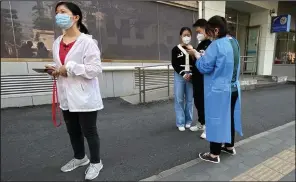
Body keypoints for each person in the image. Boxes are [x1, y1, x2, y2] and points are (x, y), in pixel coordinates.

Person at [45, 2, 103, 180]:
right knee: (73, 130)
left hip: (84, 96)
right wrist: (55, 69)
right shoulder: (57, 43)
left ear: (76, 17)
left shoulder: (87, 42)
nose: (58, 16)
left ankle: (96, 162)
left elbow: (95, 69)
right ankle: (80, 157)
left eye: (63, 12)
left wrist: (69, 67)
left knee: (89, 131)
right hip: (66, 95)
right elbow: (63, 66)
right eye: (57, 13)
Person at [187, 15, 243, 164]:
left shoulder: (216, 45)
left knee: (216, 120)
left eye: (209, 31)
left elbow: (204, 67)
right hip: (234, 88)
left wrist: (198, 56)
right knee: (229, 118)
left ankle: (214, 154)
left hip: (219, 90)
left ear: (216, 30)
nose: (207, 34)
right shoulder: (234, 42)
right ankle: (229, 146)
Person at [189, 19, 212, 140]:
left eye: (199, 31)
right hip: (197, 78)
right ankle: (201, 123)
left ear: (205, 29)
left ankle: (209, 127)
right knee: (198, 101)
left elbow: (207, 62)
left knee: (205, 103)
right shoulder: (200, 44)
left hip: (206, 79)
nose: (198, 34)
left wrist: (196, 54)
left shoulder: (211, 44)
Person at [171, 27, 195, 131]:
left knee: (190, 100)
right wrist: (183, 74)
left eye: (188, 35)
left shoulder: (193, 49)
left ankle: (188, 121)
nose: (186, 37)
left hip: (190, 76)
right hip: (179, 76)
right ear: (181, 36)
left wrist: (192, 73)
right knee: (179, 99)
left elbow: (195, 63)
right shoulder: (175, 49)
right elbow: (174, 64)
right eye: (184, 35)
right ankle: (180, 122)